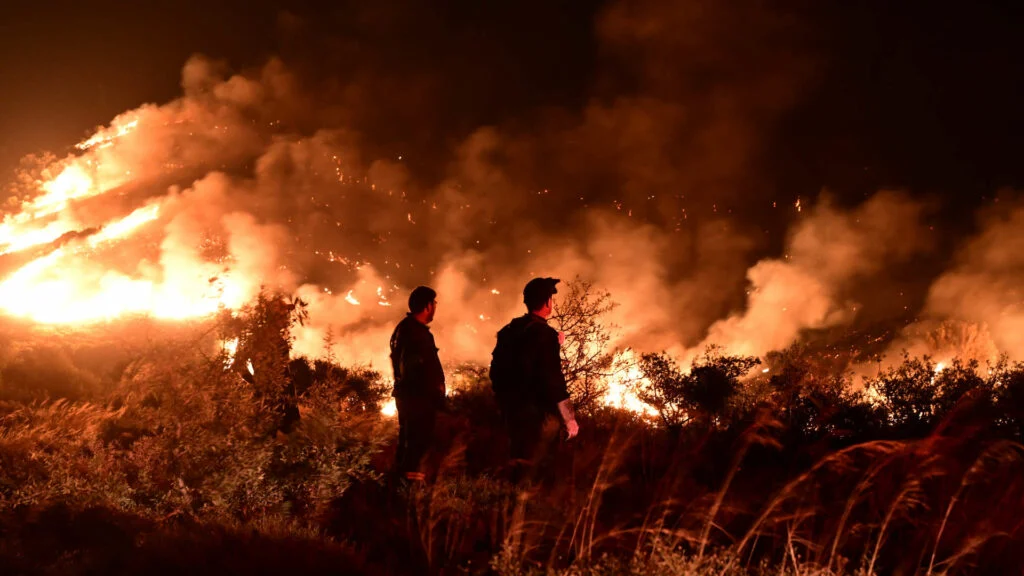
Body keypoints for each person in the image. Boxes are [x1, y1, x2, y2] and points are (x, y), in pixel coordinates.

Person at [490, 277, 579, 484]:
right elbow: (552, 379)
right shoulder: (543, 335)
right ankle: (527, 509)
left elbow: (498, 370)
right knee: (535, 467)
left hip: (510, 410)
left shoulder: (509, 331)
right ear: (547, 302)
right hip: (535, 415)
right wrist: (569, 418)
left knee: (516, 461)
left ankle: (510, 506)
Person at [389, 286, 445, 483]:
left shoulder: (402, 329)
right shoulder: (417, 334)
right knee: (416, 446)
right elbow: (419, 370)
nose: (436, 307)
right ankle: (410, 493)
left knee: (407, 444)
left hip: (407, 399)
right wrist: (436, 397)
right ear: (428, 306)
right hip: (419, 402)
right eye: (435, 303)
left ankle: (399, 486)